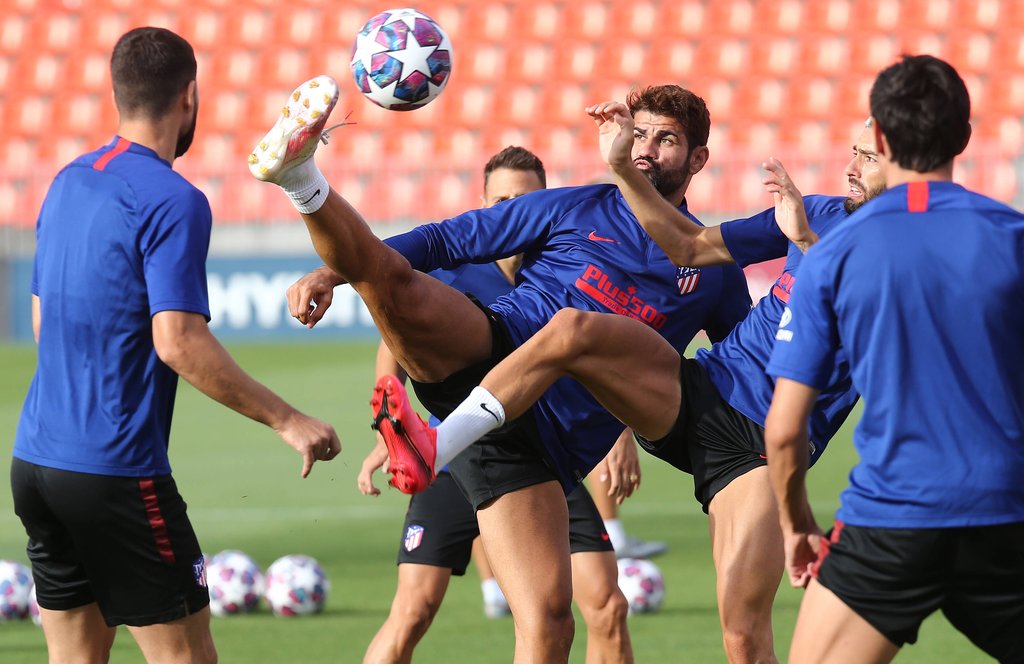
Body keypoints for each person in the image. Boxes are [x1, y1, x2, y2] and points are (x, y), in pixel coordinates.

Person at [369, 101, 887, 663]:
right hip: (699, 392)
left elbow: (858, 334)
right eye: (853, 152)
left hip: (761, 450)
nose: (851, 167)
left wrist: (809, 247)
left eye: (867, 157)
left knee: (742, 633)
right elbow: (688, 246)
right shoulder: (819, 209)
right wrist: (621, 167)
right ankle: (436, 443)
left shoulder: (904, 261)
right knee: (573, 331)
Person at [257, 78, 751, 661]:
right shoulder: (574, 205)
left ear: (698, 159)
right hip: (491, 354)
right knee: (392, 282)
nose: (644, 148)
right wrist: (332, 274)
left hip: (540, 450)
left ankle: (433, 443)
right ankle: (302, 179)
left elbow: (734, 372)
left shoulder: (714, 269)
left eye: (665, 139)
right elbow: (445, 240)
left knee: (548, 626)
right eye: (637, 133)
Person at [9, 28, 340, 664]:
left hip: (37, 465)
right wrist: (288, 419)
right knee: (184, 657)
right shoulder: (173, 200)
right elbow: (179, 341)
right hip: (115, 472)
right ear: (189, 97)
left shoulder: (66, 181)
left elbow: (42, 322)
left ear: (117, 93)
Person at [764, 54, 1024, 664]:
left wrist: (797, 523)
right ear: (963, 136)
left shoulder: (834, 254)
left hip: (891, 520)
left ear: (878, 137)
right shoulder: (1014, 238)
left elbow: (782, 431)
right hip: (1006, 513)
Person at [332, 146, 631, 662]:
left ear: (546, 200)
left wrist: (620, 431)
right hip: (454, 453)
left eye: (525, 198)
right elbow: (394, 347)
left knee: (605, 605)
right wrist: (389, 432)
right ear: (484, 202)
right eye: (501, 199)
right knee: (414, 609)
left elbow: (599, 353)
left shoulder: (571, 268)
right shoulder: (454, 274)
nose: (512, 208)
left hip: (544, 452)